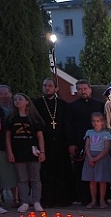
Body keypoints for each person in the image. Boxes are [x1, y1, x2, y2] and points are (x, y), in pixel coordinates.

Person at [34, 78, 73, 207]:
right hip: (44, 142)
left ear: (56, 88)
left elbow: (67, 125)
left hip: (61, 142)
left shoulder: (63, 104)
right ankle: (47, 200)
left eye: (50, 86)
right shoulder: (36, 104)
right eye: (45, 85)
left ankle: (63, 200)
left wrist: (70, 143)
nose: (47, 88)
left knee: (62, 170)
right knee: (46, 172)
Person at [66, 79, 105, 205]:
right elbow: (68, 125)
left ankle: (101, 199)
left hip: (98, 143)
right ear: (77, 91)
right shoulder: (72, 106)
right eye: (80, 89)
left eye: (85, 89)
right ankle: (84, 198)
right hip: (80, 143)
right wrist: (71, 143)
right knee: (82, 172)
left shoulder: (99, 104)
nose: (83, 91)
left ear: (90, 90)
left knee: (99, 171)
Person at [5, 93, 45, 213]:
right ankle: (24, 202)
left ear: (27, 102)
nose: (17, 101)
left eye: (20, 99)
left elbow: (40, 136)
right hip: (18, 152)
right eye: (15, 99)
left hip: (33, 152)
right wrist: (10, 152)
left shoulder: (34, 118)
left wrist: (42, 151)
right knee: (22, 179)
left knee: (35, 178)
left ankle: (36, 201)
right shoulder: (11, 118)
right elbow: (8, 136)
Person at [81, 112, 111, 209]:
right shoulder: (89, 132)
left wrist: (96, 158)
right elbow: (87, 146)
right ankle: (93, 200)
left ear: (102, 122)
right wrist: (90, 158)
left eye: (98, 121)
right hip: (91, 157)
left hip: (101, 158)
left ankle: (102, 200)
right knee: (92, 180)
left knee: (102, 180)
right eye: (94, 121)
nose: (96, 123)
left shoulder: (106, 134)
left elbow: (106, 148)